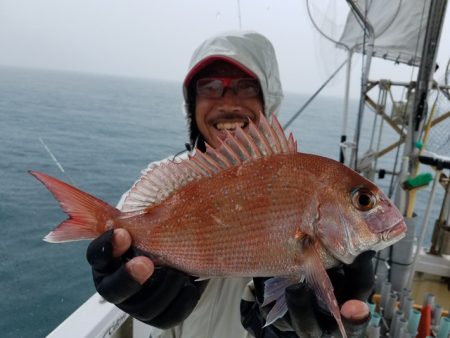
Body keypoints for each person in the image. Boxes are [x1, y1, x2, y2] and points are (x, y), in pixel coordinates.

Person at [86, 31, 374, 338]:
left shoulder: (306, 182)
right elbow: (128, 223)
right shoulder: (164, 179)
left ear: (268, 98)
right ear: (191, 103)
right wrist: (127, 272)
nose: (228, 101)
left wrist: (284, 324)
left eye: (246, 86)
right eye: (210, 87)